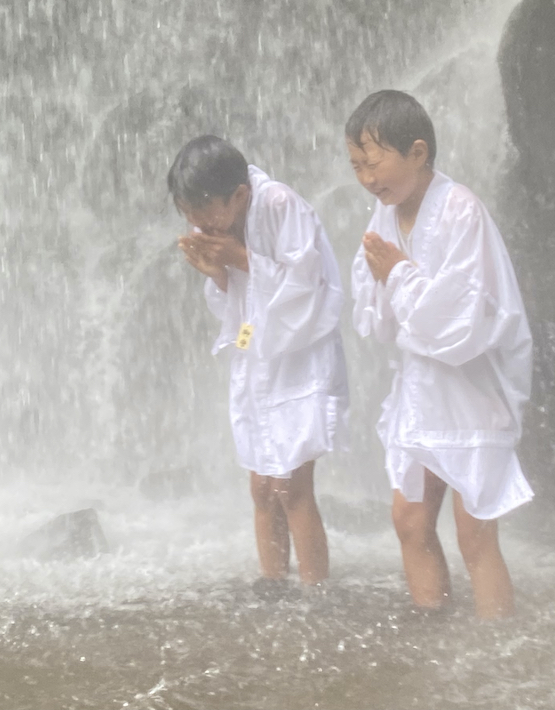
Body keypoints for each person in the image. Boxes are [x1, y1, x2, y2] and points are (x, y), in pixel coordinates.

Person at [345, 90, 533, 618]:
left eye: (374, 162)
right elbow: (376, 318)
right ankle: (435, 633)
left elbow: (464, 319)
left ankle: (498, 652)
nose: (366, 178)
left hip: (473, 392)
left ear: (418, 153)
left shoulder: (460, 210)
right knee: (409, 522)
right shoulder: (382, 217)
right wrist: (389, 283)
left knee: (475, 535)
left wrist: (399, 276)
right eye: (356, 165)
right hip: (422, 392)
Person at [168, 135, 349, 585]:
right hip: (257, 356)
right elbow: (239, 303)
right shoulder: (219, 221)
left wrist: (241, 259)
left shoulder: (280, 204)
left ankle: (314, 595)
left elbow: (310, 288)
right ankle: (272, 586)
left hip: (301, 357)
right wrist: (218, 273)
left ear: (240, 196)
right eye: (189, 217)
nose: (200, 226)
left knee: (292, 485)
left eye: (204, 215)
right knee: (262, 487)